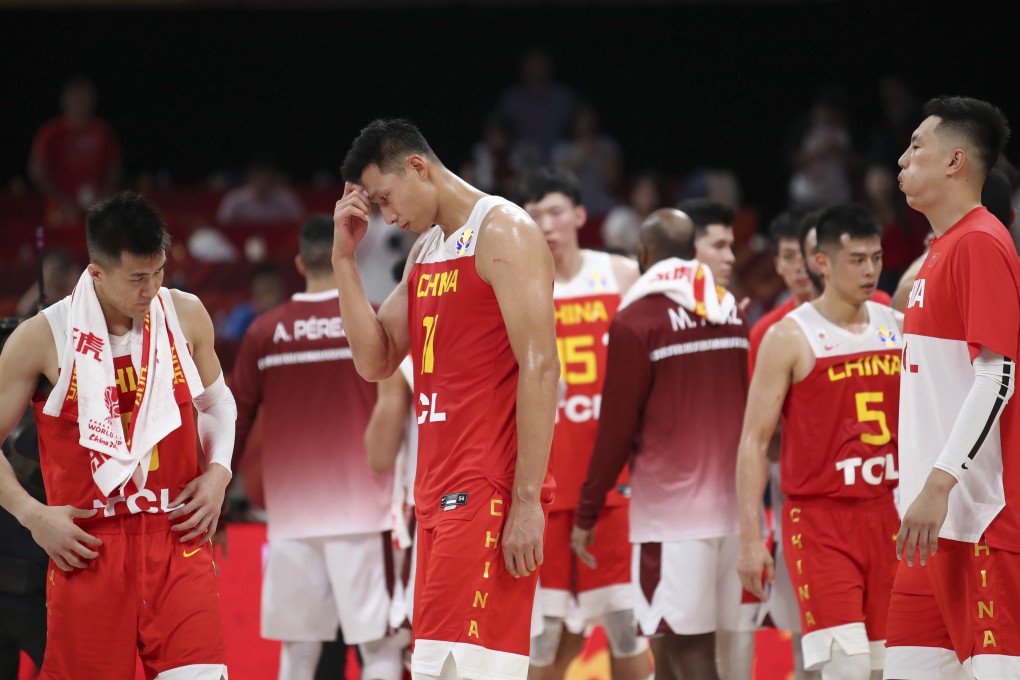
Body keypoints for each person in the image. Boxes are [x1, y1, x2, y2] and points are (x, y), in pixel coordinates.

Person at [332, 118, 559, 680]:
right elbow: (376, 360)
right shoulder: (426, 250)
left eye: (386, 198)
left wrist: (527, 500)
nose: (387, 216)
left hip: (487, 489)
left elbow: (541, 366)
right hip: (435, 494)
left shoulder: (503, 230)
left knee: (466, 671)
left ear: (417, 166)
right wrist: (343, 262)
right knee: (440, 670)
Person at [0, 191, 233, 679]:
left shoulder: (185, 313)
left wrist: (218, 473)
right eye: (137, 278)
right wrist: (32, 515)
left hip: (176, 536)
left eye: (159, 272)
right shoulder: (43, 336)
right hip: (88, 547)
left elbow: (216, 402)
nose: (151, 290)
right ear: (98, 272)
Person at [572, 207, 747, 680]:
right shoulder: (731, 312)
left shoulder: (636, 320)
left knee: (687, 654)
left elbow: (616, 428)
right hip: (736, 513)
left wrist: (587, 511)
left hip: (673, 518)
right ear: (692, 254)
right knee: (694, 652)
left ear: (643, 254)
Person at [230, 213, 404, 680]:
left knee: (299, 652)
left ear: (299, 264)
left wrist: (220, 494)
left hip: (291, 515)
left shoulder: (264, 332)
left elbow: (236, 417)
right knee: (381, 648)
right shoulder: (373, 317)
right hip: (364, 510)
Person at [884, 96, 1020, 679]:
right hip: (924, 528)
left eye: (917, 146)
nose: (901, 158)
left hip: (975, 520)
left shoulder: (980, 242)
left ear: (955, 162)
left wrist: (939, 486)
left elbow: (999, 374)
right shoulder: (939, 251)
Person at [736, 203, 901, 679]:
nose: (869, 270)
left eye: (875, 258)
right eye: (856, 259)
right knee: (843, 670)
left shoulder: (897, 325)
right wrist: (751, 539)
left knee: (888, 669)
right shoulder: (788, 336)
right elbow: (753, 441)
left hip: (891, 514)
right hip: (821, 521)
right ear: (822, 262)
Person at [518, 168, 646, 680]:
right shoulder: (519, 286)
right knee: (546, 637)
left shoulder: (619, 276)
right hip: (544, 486)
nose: (546, 224)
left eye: (554, 212)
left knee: (624, 625)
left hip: (614, 486)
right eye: (534, 215)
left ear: (578, 215)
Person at [28, 75, 122, 227]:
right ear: (65, 100)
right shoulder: (51, 132)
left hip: (96, 209)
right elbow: (37, 171)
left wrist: (105, 193)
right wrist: (61, 198)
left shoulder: (102, 130)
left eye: (86, 98)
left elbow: (114, 166)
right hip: (61, 210)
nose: (81, 103)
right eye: (76, 98)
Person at [216, 160, 305, 225]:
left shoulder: (287, 198)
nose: (263, 182)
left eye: (266, 177)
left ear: (274, 179)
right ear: (251, 178)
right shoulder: (234, 198)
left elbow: (300, 222)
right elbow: (222, 224)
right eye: (259, 177)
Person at [15, 249, 79, 317]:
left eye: (54, 270)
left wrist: (74, 277)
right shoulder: (44, 293)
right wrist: (42, 282)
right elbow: (22, 311)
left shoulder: (73, 291)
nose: (50, 274)